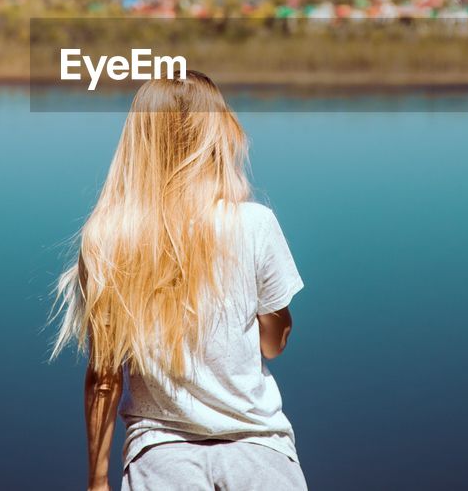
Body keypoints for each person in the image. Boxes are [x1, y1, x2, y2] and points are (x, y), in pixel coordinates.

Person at [51, 70, 307, 491]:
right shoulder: (255, 224)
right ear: (218, 135)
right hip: (259, 451)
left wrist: (97, 482)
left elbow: (103, 379)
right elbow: (272, 346)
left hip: (160, 456)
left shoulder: (109, 237)